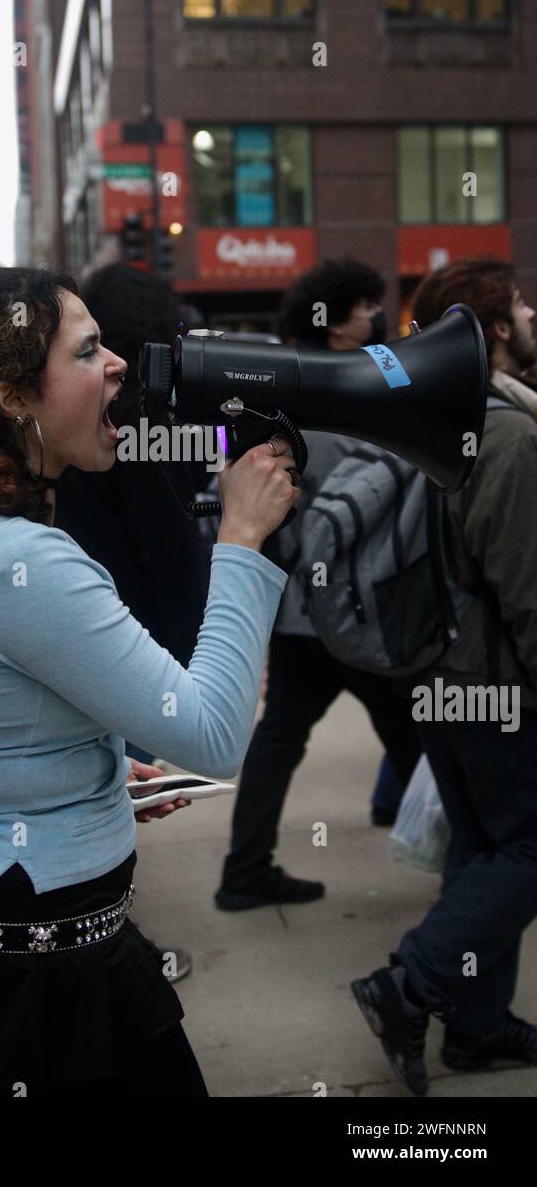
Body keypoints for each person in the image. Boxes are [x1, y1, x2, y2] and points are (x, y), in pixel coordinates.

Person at [0, 267, 299, 1098]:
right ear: (11, 397)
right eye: (86, 351)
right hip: (32, 983)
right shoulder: (19, 559)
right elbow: (214, 732)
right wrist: (244, 539)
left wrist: (100, 775)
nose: (117, 364)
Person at [352, 257, 537, 1096]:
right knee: (528, 845)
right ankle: (412, 982)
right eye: (521, 303)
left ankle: (473, 1025)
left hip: (439, 677)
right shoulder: (509, 435)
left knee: (480, 847)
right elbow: (527, 587)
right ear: (494, 327)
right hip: (495, 687)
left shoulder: (440, 420)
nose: (532, 311)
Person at [216, 258, 421, 911]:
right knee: (412, 733)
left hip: (303, 609)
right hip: (355, 608)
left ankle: (244, 871)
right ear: (332, 323)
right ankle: (471, 855)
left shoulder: (276, 391)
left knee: (282, 735)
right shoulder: (354, 390)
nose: (374, 317)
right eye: (363, 307)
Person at [55, 261, 215, 982]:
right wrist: (192, 661)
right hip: (126, 638)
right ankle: (109, 950)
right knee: (101, 794)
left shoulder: (92, 420)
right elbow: (171, 546)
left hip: (102, 631)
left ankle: (103, 942)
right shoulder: (140, 416)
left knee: (103, 788)